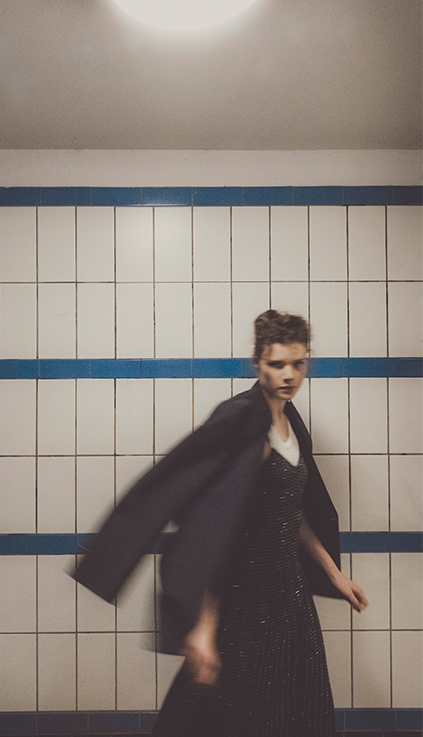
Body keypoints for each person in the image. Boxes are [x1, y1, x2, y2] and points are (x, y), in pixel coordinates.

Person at [74, 310, 368, 736]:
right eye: (277, 364)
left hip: (290, 599)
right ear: (256, 362)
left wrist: (334, 574)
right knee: (222, 715)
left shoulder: (291, 421)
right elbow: (212, 530)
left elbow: (290, 512)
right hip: (242, 601)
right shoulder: (241, 420)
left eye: (298, 363)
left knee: (295, 710)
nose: (289, 375)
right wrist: (204, 629)